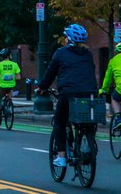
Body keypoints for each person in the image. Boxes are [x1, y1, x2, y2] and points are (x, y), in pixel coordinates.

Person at [38, 24, 99, 168]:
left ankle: (61, 157)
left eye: (65, 36)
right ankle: (89, 146)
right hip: (90, 94)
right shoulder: (88, 54)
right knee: (89, 122)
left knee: (59, 123)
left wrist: (41, 87)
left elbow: (50, 74)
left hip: (68, 94)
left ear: (69, 39)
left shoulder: (60, 53)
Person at [0, 48, 21, 125]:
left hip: (2, 86)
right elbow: (18, 77)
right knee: (9, 92)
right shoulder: (15, 64)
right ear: (9, 56)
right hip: (11, 85)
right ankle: (9, 104)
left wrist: (2, 77)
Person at [101, 42, 121, 126]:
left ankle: (119, 119)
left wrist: (104, 89)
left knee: (114, 98)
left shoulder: (113, 61)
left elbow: (107, 79)